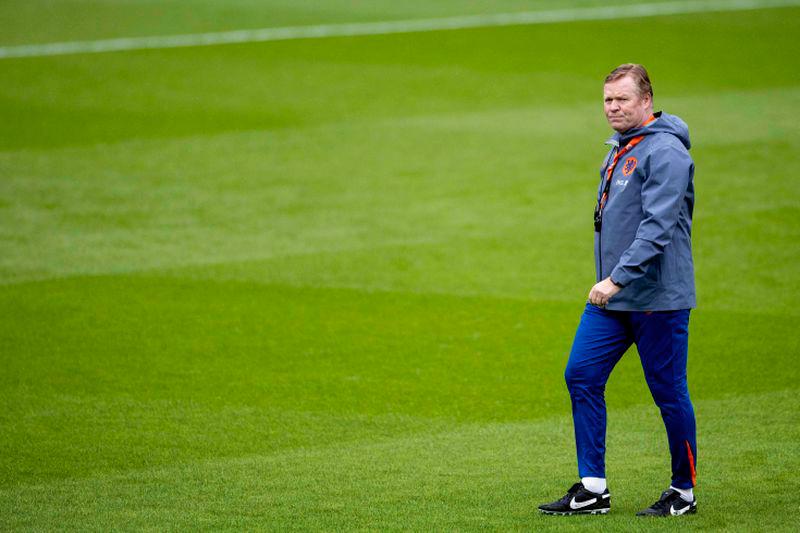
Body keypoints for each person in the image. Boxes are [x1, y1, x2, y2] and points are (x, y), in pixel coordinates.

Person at [538, 64, 698, 517]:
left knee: (668, 393)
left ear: (646, 99)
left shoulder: (665, 152)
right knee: (582, 375)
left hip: (655, 299)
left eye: (622, 100)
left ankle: (683, 491)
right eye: (608, 100)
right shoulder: (621, 148)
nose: (612, 108)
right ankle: (592, 489)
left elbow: (657, 227)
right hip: (613, 299)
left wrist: (616, 278)